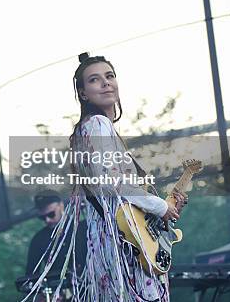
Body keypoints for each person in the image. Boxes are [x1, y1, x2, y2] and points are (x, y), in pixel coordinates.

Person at [28, 54, 188, 302]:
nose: (105, 83)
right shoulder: (98, 124)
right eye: (94, 79)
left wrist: (163, 209)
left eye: (110, 76)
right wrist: (160, 206)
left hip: (112, 236)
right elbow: (115, 182)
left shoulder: (86, 129)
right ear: (82, 93)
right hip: (123, 239)